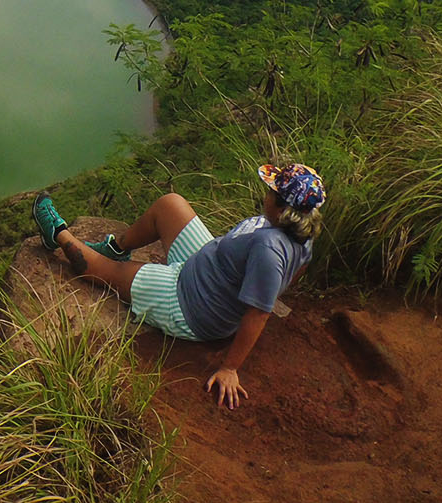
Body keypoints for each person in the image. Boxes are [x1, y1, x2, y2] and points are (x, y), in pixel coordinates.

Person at [31, 163, 326, 409]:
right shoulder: (298, 233)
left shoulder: (270, 249)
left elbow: (258, 314)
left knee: (102, 271)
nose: (266, 193)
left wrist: (230, 368)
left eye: (271, 191)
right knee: (170, 205)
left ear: (282, 206)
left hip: (188, 303)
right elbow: (295, 272)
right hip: (206, 266)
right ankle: (117, 246)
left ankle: (57, 235)